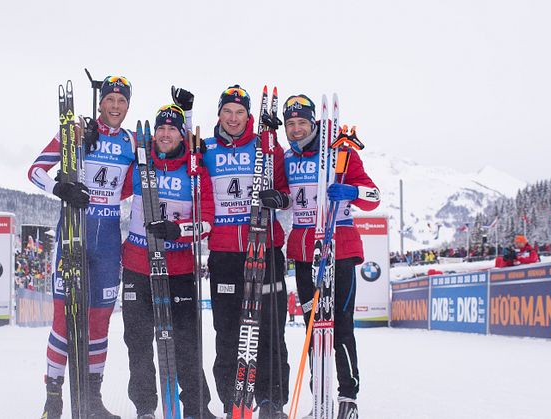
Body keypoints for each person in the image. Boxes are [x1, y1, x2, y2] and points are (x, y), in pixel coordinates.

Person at [28, 75, 135, 419]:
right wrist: (60, 189)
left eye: (121, 101)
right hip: (74, 233)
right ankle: (53, 398)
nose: (115, 106)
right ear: (101, 103)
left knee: (99, 322)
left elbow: (137, 185)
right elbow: (34, 171)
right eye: (110, 100)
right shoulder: (76, 133)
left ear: (127, 106)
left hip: (107, 244)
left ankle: (91, 398)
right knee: (63, 321)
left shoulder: (132, 142)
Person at [282, 94, 380, 419]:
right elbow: (284, 197)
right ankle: (320, 398)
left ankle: (348, 397)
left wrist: (352, 191)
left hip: (340, 248)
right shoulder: (286, 158)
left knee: (339, 326)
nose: (296, 129)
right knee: (315, 328)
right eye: (290, 123)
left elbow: (373, 196)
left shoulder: (341, 152)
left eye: (301, 122)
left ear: (313, 123)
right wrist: (276, 199)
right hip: (304, 253)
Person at [120, 100, 217, 419]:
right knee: (138, 341)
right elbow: (105, 188)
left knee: (186, 342)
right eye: (160, 128)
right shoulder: (139, 164)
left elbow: (207, 221)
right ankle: (145, 407)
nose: (164, 134)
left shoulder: (194, 169)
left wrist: (178, 230)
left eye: (171, 129)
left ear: (181, 133)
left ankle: (196, 408)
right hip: (137, 264)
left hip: (178, 267)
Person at [201, 85, 291, 418]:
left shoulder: (267, 147)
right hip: (224, 253)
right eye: (228, 111)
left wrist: (277, 199)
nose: (234, 118)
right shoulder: (206, 149)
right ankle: (232, 402)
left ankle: (271, 401)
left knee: (269, 329)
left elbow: (285, 191)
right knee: (227, 331)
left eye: (240, 112)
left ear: (249, 116)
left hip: (265, 248)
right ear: (220, 114)